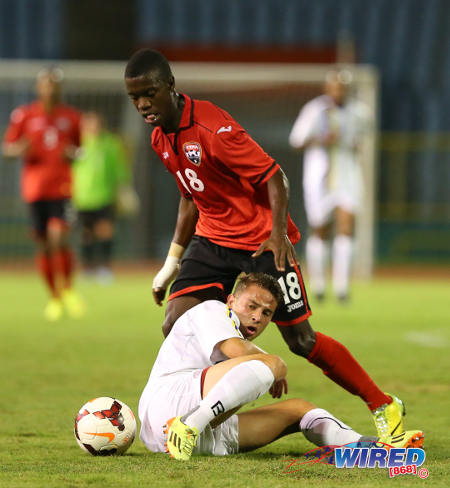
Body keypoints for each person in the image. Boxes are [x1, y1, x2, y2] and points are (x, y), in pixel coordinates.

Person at [124, 49, 403, 439]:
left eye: (149, 93)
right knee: (175, 323)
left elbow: (275, 176)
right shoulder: (160, 138)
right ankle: (200, 420)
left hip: (261, 242)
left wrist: (277, 234)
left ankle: (383, 404)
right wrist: (173, 261)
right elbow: (190, 194)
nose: (142, 104)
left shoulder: (212, 128)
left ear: (170, 86)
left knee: (302, 341)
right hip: (212, 240)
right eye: (134, 97)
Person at [139, 272, 423, 461]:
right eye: (251, 306)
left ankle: (370, 450)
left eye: (266, 313)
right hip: (167, 405)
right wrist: (273, 365)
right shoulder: (212, 309)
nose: (257, 318)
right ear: (231, 299)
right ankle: (188, 426)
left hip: (192, 433)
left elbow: (245, 356)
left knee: (299, 410)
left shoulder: (239, 333)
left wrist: (269, 365)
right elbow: (235, 351)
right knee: (273, 363)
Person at [2, 67, 85, 321]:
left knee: (58, 237)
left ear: (59, 88)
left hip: (62, 187)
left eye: (54, 85)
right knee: (44, 245)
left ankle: (69, 289)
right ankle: (54, 297)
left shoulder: (71, 117)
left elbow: (80, 150)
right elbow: (8, 148)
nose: (50, 89)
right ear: (38, 87)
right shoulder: (24, 115)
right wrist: (20, 149)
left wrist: (73, 154)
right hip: (35, 190)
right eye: (45, 84)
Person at [288, 69, 372, 302]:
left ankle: (342, 286)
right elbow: (296, 140)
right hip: (320, 176)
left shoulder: (359, 112)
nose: (339, 92)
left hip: (347, 175)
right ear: (328, 88)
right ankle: (319, 285)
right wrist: (322, 139)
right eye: (335, 87)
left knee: (347, 224)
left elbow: (364, 135)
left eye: (342, 88)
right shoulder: (315, 110)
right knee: (320, 228)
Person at [72, 111, 137, 283]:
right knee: (86, 234)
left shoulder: (111, 143)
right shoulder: (78, 142)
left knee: (105, 232)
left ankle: (104, 268)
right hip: (83, 196)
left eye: (96, 123)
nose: (93, 127)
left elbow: (120, 167)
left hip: (105, 195)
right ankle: (87, 268)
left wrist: (124, 189)